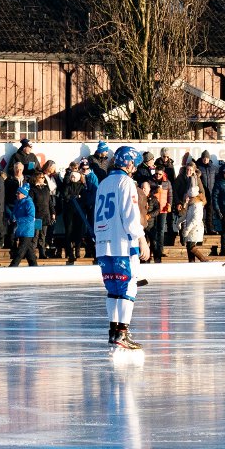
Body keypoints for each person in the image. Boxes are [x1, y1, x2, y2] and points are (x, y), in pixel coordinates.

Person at [93, 145, 149, 351]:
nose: (134, 167)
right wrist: (141, 239)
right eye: (133, 163)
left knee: (113, 290)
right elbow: (131, 219)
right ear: (128, 162)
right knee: (128, 288)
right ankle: (122, 333)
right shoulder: (126, 183)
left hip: (103, 243)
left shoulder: (104, 182)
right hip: (122, 244)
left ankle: (114, 331)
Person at [8, 176, 40, 267]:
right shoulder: (18, 202)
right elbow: (14, 213)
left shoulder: (29, 203)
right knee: (29, 252)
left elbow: (31, 217)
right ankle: (34, 266)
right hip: (20, 230)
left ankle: (13, 266)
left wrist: (18, 220)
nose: (16, 194)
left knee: (20, 251)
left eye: (18, 193)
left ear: (23, 194)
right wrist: (11, 218)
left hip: (27, 230)